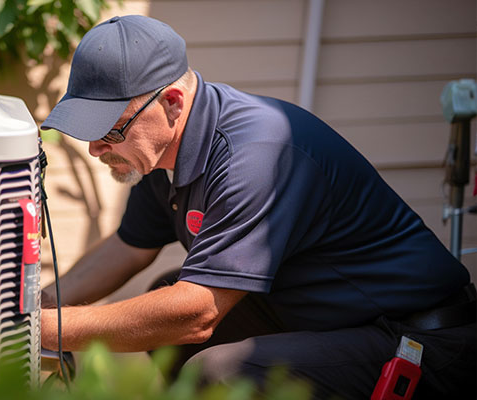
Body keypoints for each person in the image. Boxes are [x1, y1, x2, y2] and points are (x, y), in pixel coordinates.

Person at [39, 15, 476, 399]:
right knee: (163, 299)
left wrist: (45, 330)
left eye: (111, 131)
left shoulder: (257, 154)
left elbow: (197, 313)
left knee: (219, 372)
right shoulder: (161, 156)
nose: (96, 149)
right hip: (328, 320)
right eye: (88, 132)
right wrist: (28, 311)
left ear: (171, 103)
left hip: (419, 339)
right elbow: (128, 248)